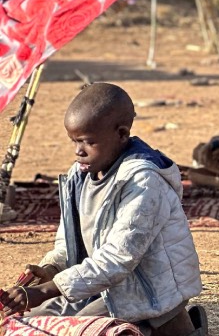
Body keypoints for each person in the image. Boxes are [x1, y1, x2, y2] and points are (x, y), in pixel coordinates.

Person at [0, 83, 205, 336]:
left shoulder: (144, 182)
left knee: (77, 331)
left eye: (87, 142)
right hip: (98, 285)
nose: (78, 151)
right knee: (21, 323)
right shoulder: (80, 175)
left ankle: (175, 328)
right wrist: (51, 269)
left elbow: (118, 258)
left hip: (147, 294)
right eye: (74, 141)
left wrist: (44, 291)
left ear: (121, 134)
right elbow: (70, 241)